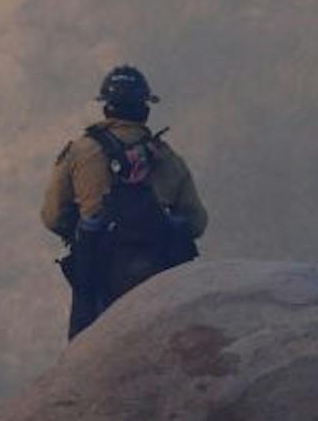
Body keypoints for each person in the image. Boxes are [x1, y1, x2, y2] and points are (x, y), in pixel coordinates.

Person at [42, 64, 207, 339]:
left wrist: (81, 224)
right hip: (159, 278)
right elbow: (197, 223)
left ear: (106, 107)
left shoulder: (78, 152)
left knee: (84, 352)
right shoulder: (168, 157)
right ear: (144, 109)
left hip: (97, 272)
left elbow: (52, 216)